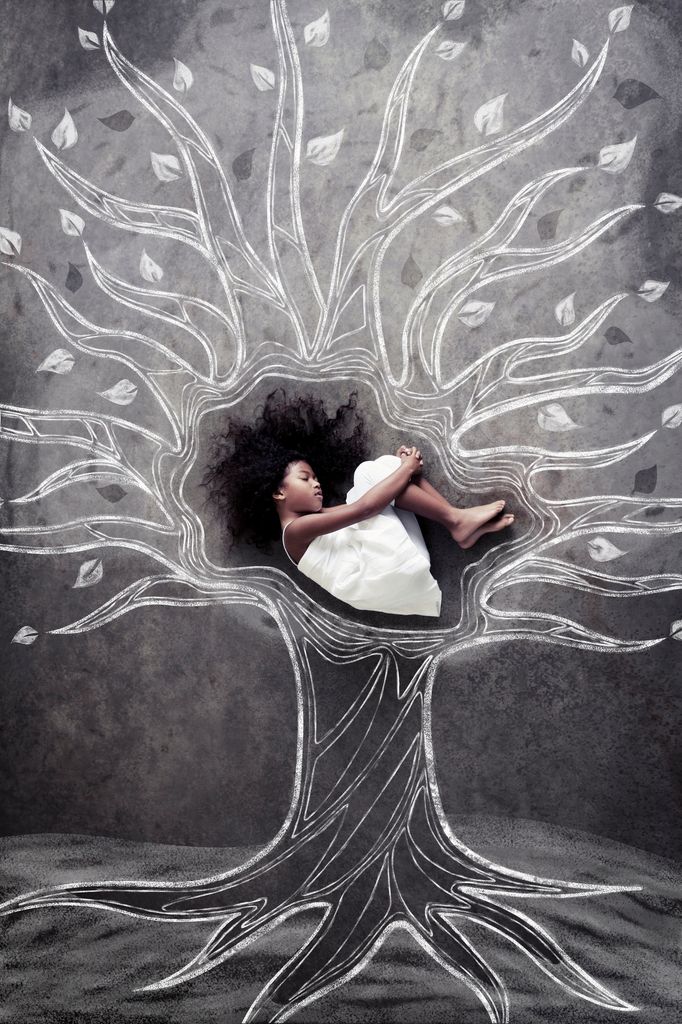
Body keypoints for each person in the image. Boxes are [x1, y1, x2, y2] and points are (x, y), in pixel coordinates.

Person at [202, 389, 514, 617]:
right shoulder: (296, 531)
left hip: (393, 576)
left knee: (382, 475)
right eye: (305, 478)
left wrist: (400, 468)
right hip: (382, 574)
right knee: (370, 474)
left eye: (315, 478)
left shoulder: (313, 522)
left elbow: (375, 500)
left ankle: (458, 523)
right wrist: (405, 468)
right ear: (278, 493)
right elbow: (364, 509)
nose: (317, 483)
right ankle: (456, 520)